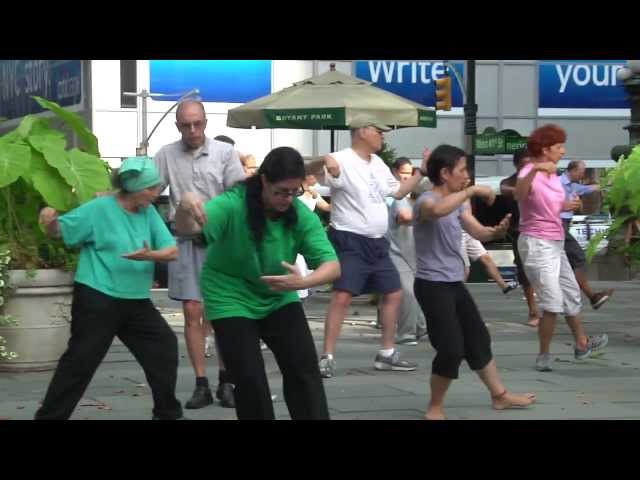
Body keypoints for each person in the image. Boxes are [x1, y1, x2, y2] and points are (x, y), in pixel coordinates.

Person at [175, 146, 340, 420]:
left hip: (279, 294)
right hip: (230, 296)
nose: (287, 199)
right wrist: (184, 205)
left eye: (293, 192)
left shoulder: (299, 215)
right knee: (250, 378)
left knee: (303, 369)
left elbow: (332, 266)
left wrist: (304, 282)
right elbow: (188, 229)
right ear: (263, 180)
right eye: (280, 192)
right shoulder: (232, 203)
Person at [34, 157, 183, 420]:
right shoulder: (99, 209)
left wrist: (150, 256)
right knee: (80, 362)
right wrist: (51, 222)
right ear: (134, 188)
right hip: (97, 297)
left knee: (164, 347)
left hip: (136, 302)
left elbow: (172, 250)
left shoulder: (148, 213)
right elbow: (61, 231)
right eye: (151, 188)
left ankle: (167, 413)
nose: (156, 193)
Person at [413, 144, 536, 420]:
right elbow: (436, 211)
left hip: (455, 283)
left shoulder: (458, 202)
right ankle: (435, 407)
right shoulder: (426, 200)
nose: (466, 175)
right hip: (432, 286)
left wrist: (495, 232)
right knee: (451, 348)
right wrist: (469, 191)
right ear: (445, 173)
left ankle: (500, 396)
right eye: (462, 170)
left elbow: (475, 230)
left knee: (479, 339)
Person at [316, 116, 428, 378]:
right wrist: (327, 165)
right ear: (363, 132)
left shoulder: (378, 163)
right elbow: (322, 175)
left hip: (378, 241)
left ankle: (387, 353)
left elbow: (398, 192)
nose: (383, 136)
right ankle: (327, 356)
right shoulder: (340, 158)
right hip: (350, 238)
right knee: (343, 296)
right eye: (379, 131)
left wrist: (421, 171)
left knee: (393, 292)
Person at [154, 101, 246, 409]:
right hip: (186, 241)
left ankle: (226, 380)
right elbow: (149, 192)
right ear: (177, 126)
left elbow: (239, 194)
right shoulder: (166, 154)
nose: (192, 130)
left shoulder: (224, 153)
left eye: (197, 124)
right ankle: (200, 383)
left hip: (221, 242)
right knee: (192, 311)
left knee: (220, 313)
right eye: (185, 125)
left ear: (205, 122)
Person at [514, 124, 608, 372]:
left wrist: (568, 205)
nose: (563, 152)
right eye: (559, 147)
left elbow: (551, 205)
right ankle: (543, 355)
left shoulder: (554, 176)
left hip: (555, 241)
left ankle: (581, 343)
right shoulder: (528, 171)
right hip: (536, 243)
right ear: (545, 150)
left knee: (570, 292)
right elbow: (519, 194)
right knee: (552, 301)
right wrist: (535, 168)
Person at [381, 157, 428, 346]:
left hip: (413, 254)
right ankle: (406, 333)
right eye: (404, 173)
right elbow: (403, 217)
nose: (407, 177)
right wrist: (427, 214)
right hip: (397, 253)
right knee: (408, 293)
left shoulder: (415, 200)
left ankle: (420, 328)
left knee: (418, 292)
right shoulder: (398, 198)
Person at [560, 160, 614, 309]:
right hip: (557, 226)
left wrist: (608, 184)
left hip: (563, 226)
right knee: (578, 257)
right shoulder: (558, 183)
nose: (583, 174)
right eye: (581, 171)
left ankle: (591, 296)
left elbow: (589, 189)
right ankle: (591, 297)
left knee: (569, 263)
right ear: (573, 170)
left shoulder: (574, 186)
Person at [500, 148, 541, 327]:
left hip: (541, 230)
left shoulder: (540, 180)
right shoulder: (508, 182)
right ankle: (533, 310)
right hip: (520, 232)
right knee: (525, 272)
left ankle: (548, 306)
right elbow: (507, 190)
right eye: (524, 165)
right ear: (517, 166)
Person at [295, 174, 331, 300]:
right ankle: (300, 293)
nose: (317, 178)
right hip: (296, 228)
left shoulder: (315, 193)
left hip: (308, 230)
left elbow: (327, 207)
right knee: (298, 260)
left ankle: (302, 292)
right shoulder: (296, 191)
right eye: (315, 175)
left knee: (304, 262)